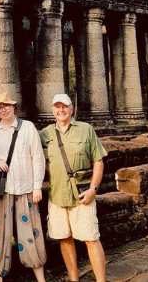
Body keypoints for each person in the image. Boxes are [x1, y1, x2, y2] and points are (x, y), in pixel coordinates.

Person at [40, 94, 108, 282]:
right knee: (64, 238)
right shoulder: (45, 134)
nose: (61, 110)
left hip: (82, 194)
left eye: (65, 107)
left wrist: (93, 189)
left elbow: (98, 161)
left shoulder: (86, 130)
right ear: (53, 110)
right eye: (57, 107)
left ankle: (101, 280)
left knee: (91, 238)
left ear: (72, 109)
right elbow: (26, 150)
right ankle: (73, 278)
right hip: (57, 195)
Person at [0, 93, 47, 282]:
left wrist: (37, 186)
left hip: (25, 187)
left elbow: (38, 157)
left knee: (31, 232)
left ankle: (39, 275)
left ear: (14, 107)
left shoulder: (27, 128)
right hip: (0, 190)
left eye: (7, 105)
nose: (3, 109)